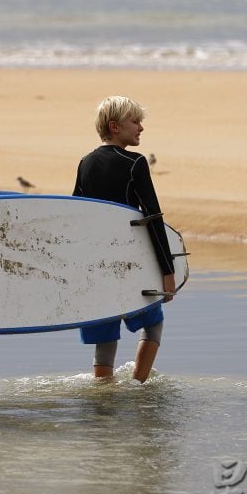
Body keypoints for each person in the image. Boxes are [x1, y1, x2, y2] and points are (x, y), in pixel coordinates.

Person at [72, 96, 176, 383]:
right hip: (130, 262)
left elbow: (74, 216)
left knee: (104, 339)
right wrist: (167, 272)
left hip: (94, 265)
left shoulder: (85, 162)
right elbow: (152, 217)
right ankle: (138, 386)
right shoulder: (135, 163)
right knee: (153, 326)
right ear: (115, 127)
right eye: (135, 122)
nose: (141, 128)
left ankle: (103, 398)